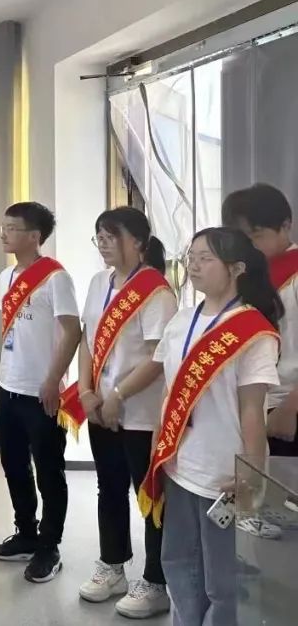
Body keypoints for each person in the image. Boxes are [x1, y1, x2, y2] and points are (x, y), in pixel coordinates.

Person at [136, 228, 281, 626]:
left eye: (205, 258)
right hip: (179, 463)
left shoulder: (252, 331)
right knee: (177, 559)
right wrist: (158, 440)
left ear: (236, 269)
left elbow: (252, 409)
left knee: (221, 577)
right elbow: (169, 390)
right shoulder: (182, 320)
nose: (193, 266)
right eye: (191, 257)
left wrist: (251, 473)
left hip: (223, 473)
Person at [74, 208, 177, 619]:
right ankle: (112, 565)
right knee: (109, 487)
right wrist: (85, 391)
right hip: (100, 408)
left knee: (149, 497)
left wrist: (118, 394)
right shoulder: (98, 282)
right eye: (98, 236)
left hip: (140, 414)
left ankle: (156, 582)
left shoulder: (156, 292)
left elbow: (158, 357)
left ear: (138, 241)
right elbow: (87, 340)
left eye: (111, 236)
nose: (103, 244)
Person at [0, 202, 81, 584]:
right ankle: (26, 532)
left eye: (12, 228)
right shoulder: (6, 276)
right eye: (4, 227)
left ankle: (49, 546)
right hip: (7, 385)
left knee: (49, 472)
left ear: (34, 236)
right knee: (14, 465)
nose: (4, 234)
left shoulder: (56, 278)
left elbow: (73, 331)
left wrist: (53, 379)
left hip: (42, 392)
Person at [222, 184, 298, 456]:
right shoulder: (242, 278)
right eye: (243, 238)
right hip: (246, 405)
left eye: (257, 236)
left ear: (285, 226)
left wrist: (291, 407)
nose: (249, 246)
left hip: (285, 406)